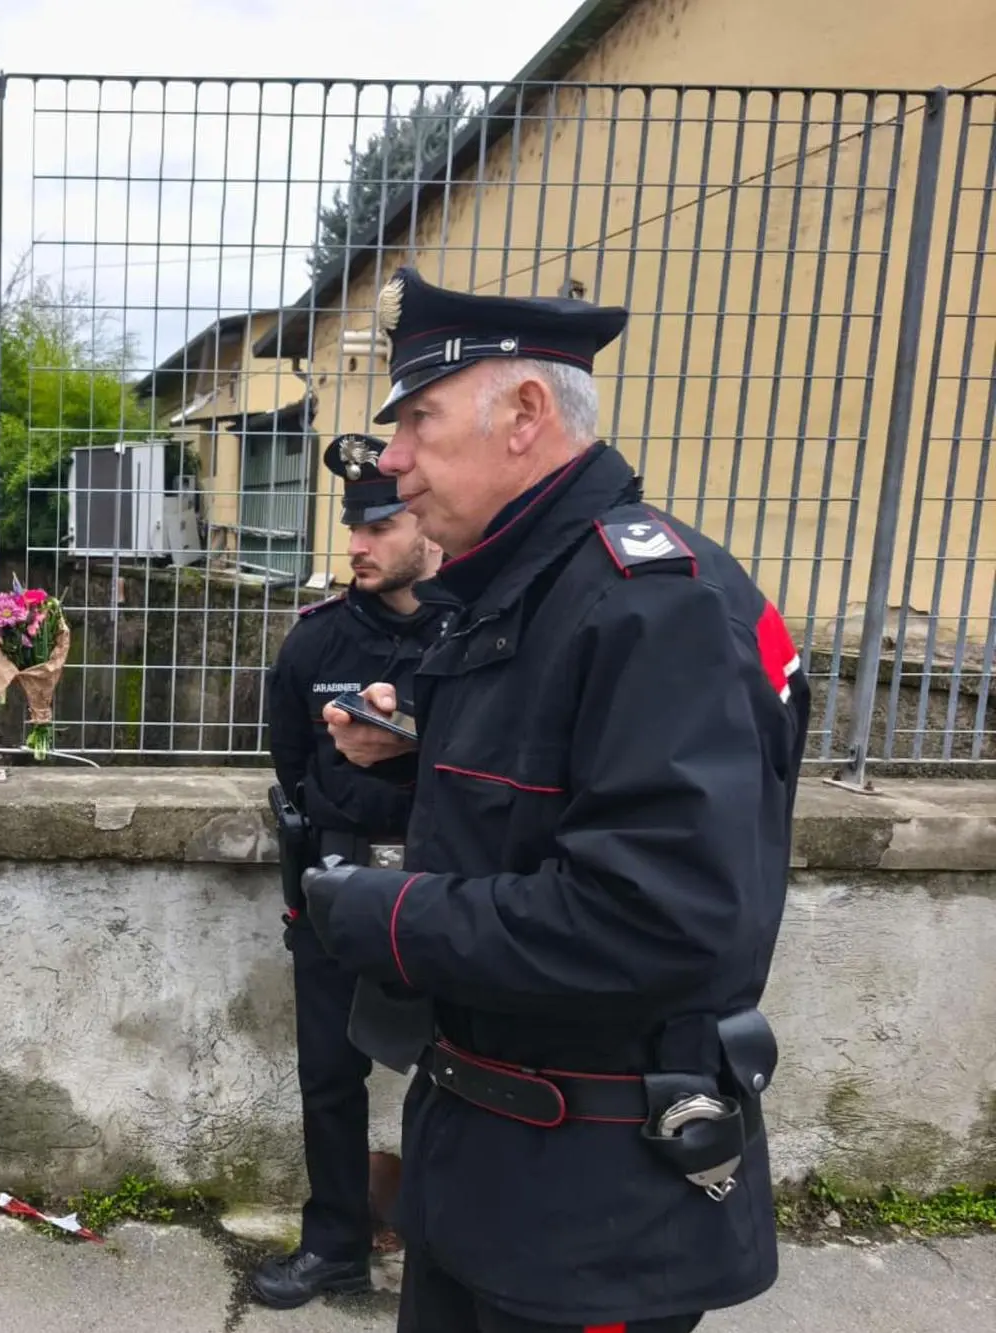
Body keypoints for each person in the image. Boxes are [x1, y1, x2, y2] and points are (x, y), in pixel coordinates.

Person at [302, 266, 809, 1333]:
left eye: (417, 421)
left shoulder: (649, 610)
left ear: (525, 414)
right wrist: (413, 759)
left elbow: (653, 915)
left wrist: (381, 916)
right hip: (487, 1172)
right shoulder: (517, 592)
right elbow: (549, 804)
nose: (389, 461)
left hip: (595, 1208)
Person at [256, 436, 444, 1310]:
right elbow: (290, 766)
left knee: (458, 1072)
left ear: (430, 527)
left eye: (382, 523)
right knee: (329, 1074)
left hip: (446, 892)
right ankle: (335, 1243)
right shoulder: (315, 641)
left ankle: (449, 1245)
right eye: (353, 526)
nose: (359, 543)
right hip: (336, 886)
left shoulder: (473, 635)